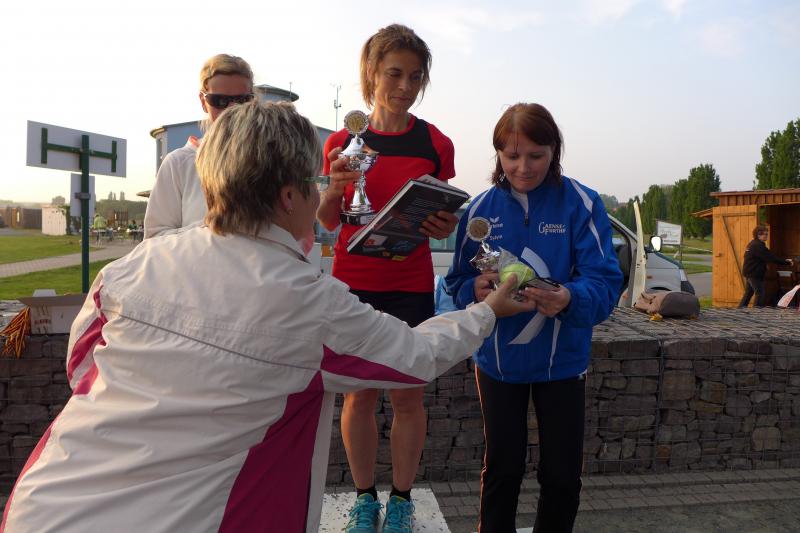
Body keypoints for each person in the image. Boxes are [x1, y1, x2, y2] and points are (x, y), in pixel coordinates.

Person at [1, 101, 537, 533]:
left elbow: (81, 368)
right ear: (287, 196)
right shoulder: (306, 300)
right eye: (314, 181)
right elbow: (417, 356)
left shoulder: (134, 264)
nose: (321, 193)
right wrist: (487, 310)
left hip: (44, 504)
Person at [445, 103, 623, 532]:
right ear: (497, 155)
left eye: (536, 155)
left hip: (562, 364)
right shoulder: (478, 210)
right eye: (511, 156)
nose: (523, 168)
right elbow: (456, 282)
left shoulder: (582, 204)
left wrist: (569, 297)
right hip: (498, 363)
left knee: (561, 475)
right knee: (502, 469)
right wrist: (474, 290)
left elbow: (605, 281)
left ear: (554, 151)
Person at [316, 24, 459, 533]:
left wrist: (444, 225)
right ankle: (363, 500)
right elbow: (328, 221)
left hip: (411, 282)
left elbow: (441, 214)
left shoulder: (435, 142)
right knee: (358, 395)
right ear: (371, 73)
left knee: (407, 395)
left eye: (415, 77)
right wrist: (335, 188)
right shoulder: (341, 142)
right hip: (353, 282)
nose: (405, 86)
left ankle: (400, 500)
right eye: (394, 73)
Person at [143, 53, 255, 239]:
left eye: (242, 101)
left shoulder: (271, 158)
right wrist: (217, 227)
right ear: (204, 102)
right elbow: (155, 239)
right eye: (220, 101)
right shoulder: (179, 163)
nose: (232, 110)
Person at [738, 225, 794, 307]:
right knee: (760, 293)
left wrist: (785, 261)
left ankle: (740, 310)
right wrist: (786, 262)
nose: (767, 236)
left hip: (750, 273)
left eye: (767, 234)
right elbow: (770, 257)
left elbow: (769, 255)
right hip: (754, 274)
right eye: (765, 234)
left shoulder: (754, 243)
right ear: (758, 234)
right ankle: (757, 312)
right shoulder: (758, 246)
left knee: (749, 293)